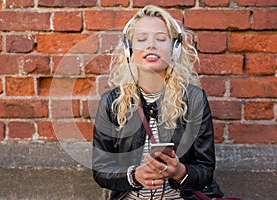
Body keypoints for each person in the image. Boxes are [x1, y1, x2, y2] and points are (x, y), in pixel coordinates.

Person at [92, 5, 223, 200]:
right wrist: (134, 176)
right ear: (129, 50)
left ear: (174, 49)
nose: (151, 45)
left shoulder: (194, 99)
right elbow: (101, 169)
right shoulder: (112, 102)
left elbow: (205, 169)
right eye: (142, 39)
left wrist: (179, 171)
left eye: (161, 39)